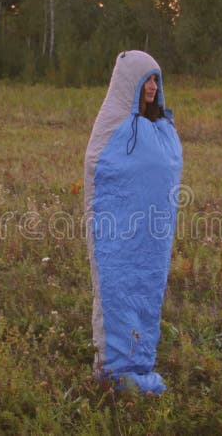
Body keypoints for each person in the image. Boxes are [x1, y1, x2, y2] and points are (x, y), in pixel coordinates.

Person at [83, 51, 183, 394]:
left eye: (156, 79)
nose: (152, 86)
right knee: (116, 288)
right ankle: (112, 369)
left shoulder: (160, 128)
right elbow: (101, 166)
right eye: (146, 79)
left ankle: (139, 363)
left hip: (152, 234)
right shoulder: (113, 125)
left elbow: (166, 169)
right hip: (116, 231)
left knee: (146, 289)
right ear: (130, 82)